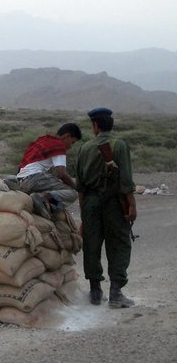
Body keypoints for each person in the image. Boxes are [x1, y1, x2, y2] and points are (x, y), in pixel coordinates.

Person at [75, 107, 137, 308]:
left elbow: (81, 184)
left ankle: (95, 291)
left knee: (91, 244)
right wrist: (132, 205)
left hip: (91, 203)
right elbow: (126, 180)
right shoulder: (119, 145)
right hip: (114, 203)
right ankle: (116, 293)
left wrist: (84, 211)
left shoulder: (84, 148)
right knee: (119, 244)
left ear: (94, 125)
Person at [16, 123, 82, 219]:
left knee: (55, 188)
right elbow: (61, 173)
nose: (70, 146)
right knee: (71, 193)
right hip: (35, 178)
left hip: (22, 180)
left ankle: (44, 203)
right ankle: (44, 200)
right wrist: (75, 187)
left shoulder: (43, 140)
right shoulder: (59, 145)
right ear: (67, 136)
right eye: (72, 142)